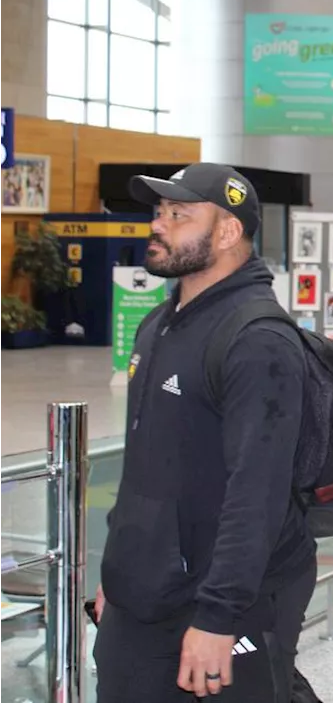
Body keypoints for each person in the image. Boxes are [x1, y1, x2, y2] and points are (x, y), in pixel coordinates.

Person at [93, 163, 318, 702]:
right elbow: (148, 465)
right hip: (142, 597)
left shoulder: (258, 340)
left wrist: (219, 617)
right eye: (158, 211)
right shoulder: (159, 324)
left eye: (178, 214)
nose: (158, 224)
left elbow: (257, 493)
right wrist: (119, 575)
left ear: (226, 232)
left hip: (226, 603)